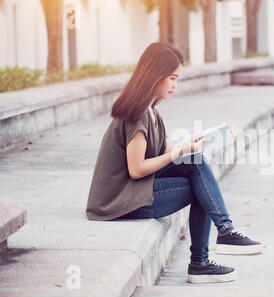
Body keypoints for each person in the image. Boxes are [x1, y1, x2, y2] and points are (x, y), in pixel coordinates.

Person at [85, 42, 263, 284]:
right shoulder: (137, 114)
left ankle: (223, 234)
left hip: (133, 192)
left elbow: (172, 153)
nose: (175, 85)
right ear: (154, 75)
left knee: (196, 164)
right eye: (172, 78)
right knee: (201, 190)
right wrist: (178, 151)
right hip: (121, 201)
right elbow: (136, 170)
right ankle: (207, 254)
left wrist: (207, 138)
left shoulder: (151, 111)